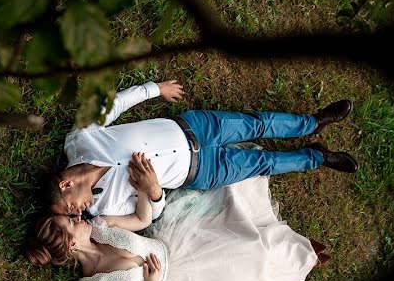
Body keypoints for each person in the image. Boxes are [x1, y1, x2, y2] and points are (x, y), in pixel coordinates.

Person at [28, 153, 325, 281]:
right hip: (178, 279)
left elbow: (142, 219)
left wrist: (146, 189)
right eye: (70, 222)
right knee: (249, 260)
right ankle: (304, 258)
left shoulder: (101, 225)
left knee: (239, 219)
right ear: (70, 244)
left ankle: (297, 248)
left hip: (178, 240)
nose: (77, 217)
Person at [48, 80, 357, 223]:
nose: (78, 213)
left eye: (69, 208)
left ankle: (313, 123)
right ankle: (318, 157)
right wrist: (153, 191)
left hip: (194, 127)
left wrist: (154, 89)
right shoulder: (103, 208)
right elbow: (146, 218)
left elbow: (112, 106)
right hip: (203, 170)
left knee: (256, 125)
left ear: (66, 185)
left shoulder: (79, 141)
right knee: (263, 162)